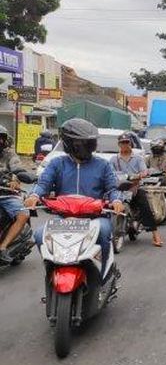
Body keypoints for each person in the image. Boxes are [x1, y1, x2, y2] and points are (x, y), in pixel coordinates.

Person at [24, 119, 124, 279]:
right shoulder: (57, 163)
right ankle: (52, 273)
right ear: (70, 143)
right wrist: (34, 196)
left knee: (105, 232)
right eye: (82, 142)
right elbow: (43, 183)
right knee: (39, 234)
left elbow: (113, 188)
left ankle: (104, 275)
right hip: (63, 218)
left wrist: (117, 200)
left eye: (89, 142)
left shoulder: (102, 165)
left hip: (94, 218)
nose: (87, 145)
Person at [110, 133, 164, 247]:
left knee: (145, 204)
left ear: (130, 144)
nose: (125, 145)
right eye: (122, 143)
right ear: (119, 144)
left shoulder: (138, 158)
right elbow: (109, 174)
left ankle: (155, 234)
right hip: (119, 189)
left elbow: (144, 171)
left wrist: (141, 175)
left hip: (134, 187)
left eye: (127, 142)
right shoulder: (113, 159)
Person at [0, 126, 34, 264]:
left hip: (6, 194)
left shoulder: (9, 155)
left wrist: (17, 177)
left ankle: (2, 247)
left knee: (23, 214)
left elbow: (17, 169)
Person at [146, 139, 166, 226]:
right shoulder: (148, 158)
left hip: (164, 181)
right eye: (155, 148)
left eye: (158, 148)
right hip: (149, 181)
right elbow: (144, 169)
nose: (156, 150)